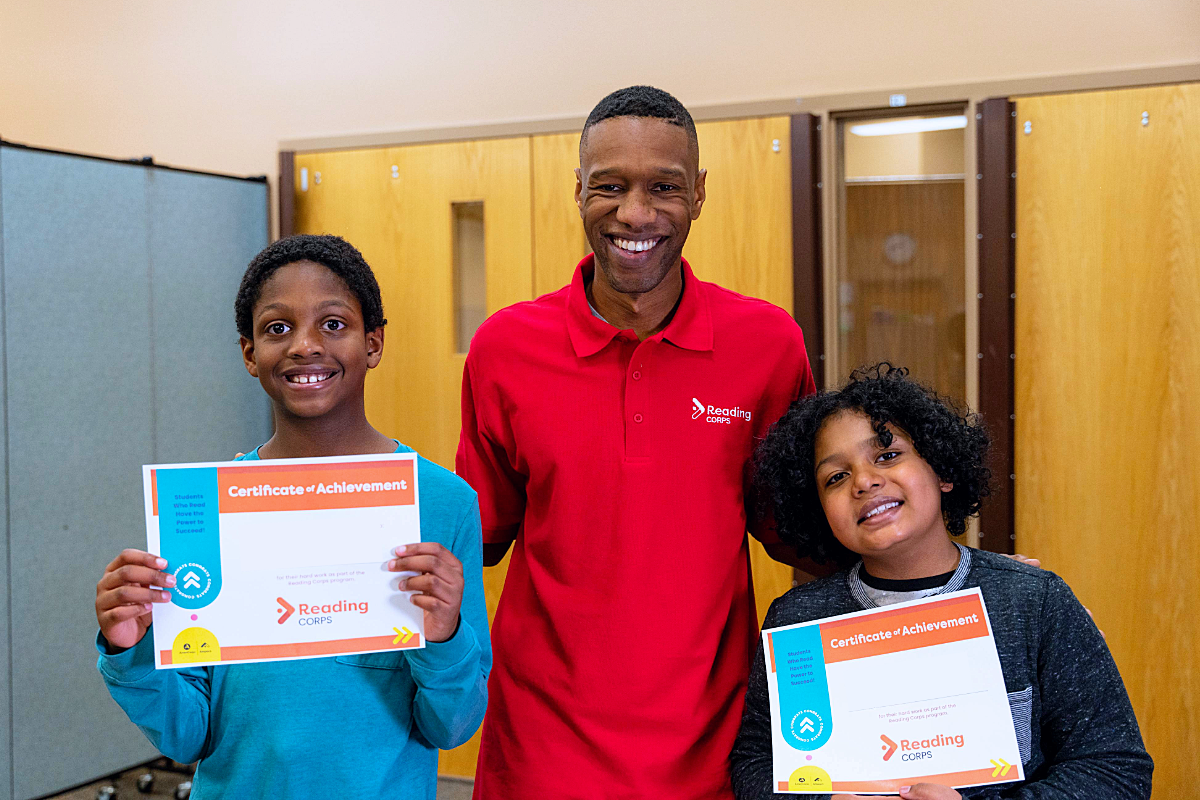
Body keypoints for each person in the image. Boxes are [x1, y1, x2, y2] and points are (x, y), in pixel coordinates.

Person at [456, 85, 817, 799]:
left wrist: (965, 580)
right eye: (610, 187)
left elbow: (809, 542)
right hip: (543, 753)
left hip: (716, 749)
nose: (636, 214)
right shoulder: (504, 348)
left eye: (665, 188)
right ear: (579, 190)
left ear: (700, 194)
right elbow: (474, 540)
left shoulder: (769, 346)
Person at [94, 234, 491, 800]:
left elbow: (451, 726)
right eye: (278, 328)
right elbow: (187, 736)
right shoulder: (207, 509)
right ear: (249, 353)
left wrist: (445, 635)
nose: (305, 345)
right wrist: (132, 650)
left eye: (333, 324)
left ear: (373, 343)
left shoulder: (442, 503)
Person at [731, 364, 1152, 799]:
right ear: (818, 510)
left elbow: (1115, 770)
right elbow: (758, 762)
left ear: (943, 471)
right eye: (835, 477)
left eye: (888, 455)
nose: (865, 481)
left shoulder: (1034, 602)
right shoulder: (798, 620)